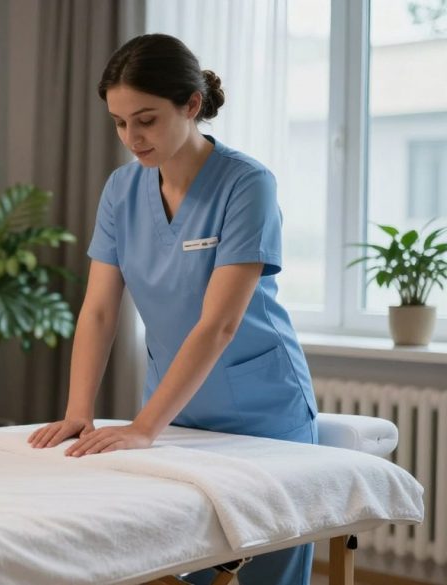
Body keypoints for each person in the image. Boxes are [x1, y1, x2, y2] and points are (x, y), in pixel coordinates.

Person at [26, 33, 318, 585]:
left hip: (262, 413)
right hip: (176, 411)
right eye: (118, 122)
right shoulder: (121, 190)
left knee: (265, 572)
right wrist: (78, 410)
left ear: (192, 105)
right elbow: (98, 313)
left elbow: (220, 323)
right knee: (189, 566)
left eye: (146, 120)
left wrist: (142, 428)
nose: (131, 138)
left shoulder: (246, 184)